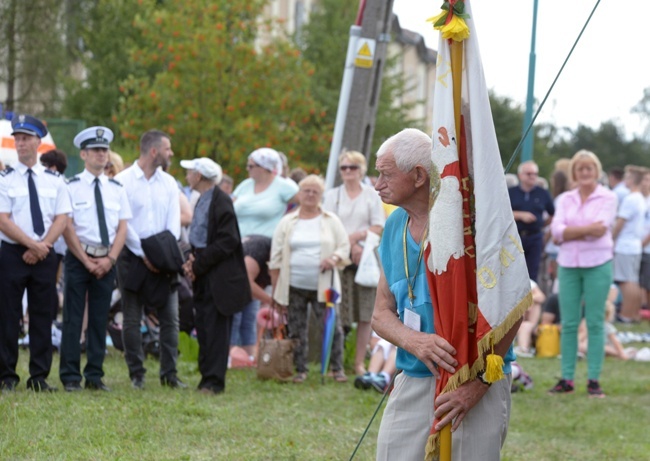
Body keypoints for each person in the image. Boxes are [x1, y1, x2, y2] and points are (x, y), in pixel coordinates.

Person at [372, 128, 519, 461]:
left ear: (419, 176)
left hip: (475, 381)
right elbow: (381, 314)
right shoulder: (394, 225)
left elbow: (514, 306)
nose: (377, 183)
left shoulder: (473, 223)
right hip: (414, 375)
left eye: (385, 174)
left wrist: (478, 385)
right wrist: (415, 341)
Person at [0, 114, 72, 392]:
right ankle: (7, 376)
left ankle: (39, 377)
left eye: (26, 139)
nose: (20, 144)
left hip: (45, 255)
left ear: (38, 142)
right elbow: (3, 219)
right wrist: (32, 245)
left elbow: (62, 217)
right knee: (8, 316)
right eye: (17, 139)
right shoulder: (5, 179)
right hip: (12, 254)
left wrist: (42, 247)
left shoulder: (54, 180)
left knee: (43, 315)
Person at [59, 127, 131, 392]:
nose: (102, 155)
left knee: (100, 318)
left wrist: (110, 259)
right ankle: (70, 376)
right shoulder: (71, 186)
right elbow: (67, 226)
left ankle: (95, 375)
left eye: (104, 150)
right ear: (84, 154)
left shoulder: (117, 188)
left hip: (106, 260)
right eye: (96, 151)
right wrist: (85, 259)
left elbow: (122, 227)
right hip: (80, 258)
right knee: (73, 318)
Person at [114, 129, 186, 390]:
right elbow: (123, 222)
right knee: (132, 318)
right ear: (154, 151)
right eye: (168, 149)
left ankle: (170, 374)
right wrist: (144, 253)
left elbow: (174, 224)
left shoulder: (168, 183)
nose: (171, 154)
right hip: (132, 257)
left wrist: (160, 254)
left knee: (171, 317)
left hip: (163, 259)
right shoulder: (123, 181)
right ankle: (137, 374)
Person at [549, 150, 617, 397]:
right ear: (574, 173)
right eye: (581, 169)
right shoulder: (565, 199)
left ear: (597, 172)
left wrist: (570, 231)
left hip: (598, 263)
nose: (585, 173)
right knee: (568, 323)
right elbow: (556, 231)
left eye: (590, 168)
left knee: (596, 321)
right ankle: (566, 379)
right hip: (568, 264)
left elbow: (600, 229)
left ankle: (593, 380)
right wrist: (579, 231)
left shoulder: (608, 198)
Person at [269, 175, 350, 383]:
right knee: (296, 328)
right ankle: (300, 370)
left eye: (315, 191)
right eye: (306, 191)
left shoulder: (331, 220)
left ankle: (337, 368)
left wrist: (333, 258)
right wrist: (277, 291)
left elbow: (343, 246)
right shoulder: (287, 222)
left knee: (332, 327)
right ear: (299, 194)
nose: (311, 195)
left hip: (324, 286)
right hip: (294, 285)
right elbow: (275, 257)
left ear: (321, 195)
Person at [181, 157, 250, 395]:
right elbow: (199, 237)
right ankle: (206, 377)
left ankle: (214, 381)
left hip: (218, 277)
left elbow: (228, 240)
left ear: (199, 176)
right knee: (205, 326)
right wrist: (192, 259)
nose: (187, 176)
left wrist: (198, 263)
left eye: (190, 172)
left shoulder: (221, 200)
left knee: (216, 330)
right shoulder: (203, 198)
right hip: (205, 272)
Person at [322, 150, 385, 377]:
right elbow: (326, 225)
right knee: (337, 311)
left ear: (361, 170)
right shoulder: (332, 195)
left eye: (353, 167)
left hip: (364, 259)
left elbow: (378, 225)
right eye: (344, 168)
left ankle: (358, 362)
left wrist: (357, 239)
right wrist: (346, 245)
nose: (348, 172)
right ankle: (334, 363)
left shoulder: (371, 194)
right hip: (339, 259)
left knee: (365, 313)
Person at [231, 148, 298, 358]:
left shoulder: (282, 185)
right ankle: (248, 351)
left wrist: (286, 224)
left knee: (243, 283)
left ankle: (234, 347)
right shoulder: (244, 186)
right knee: (242, 298)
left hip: (264, 244)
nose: (247, 169)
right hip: (239, 244)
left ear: (266, 168)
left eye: (251, 166)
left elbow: (307, 202)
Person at [508, 160, 555, 282]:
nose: (532, 176)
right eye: (529, 173)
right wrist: (519, 215)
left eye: (535, 173)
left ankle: (532, 299)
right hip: (514, 237)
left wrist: (541, 224)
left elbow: (553, 214)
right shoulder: (511, 192)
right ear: (520, 175)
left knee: (532, 273)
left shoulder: (542, 193)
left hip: (535, 237)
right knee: (512, 272)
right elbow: (500, 213)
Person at [613, 166, 647, 323]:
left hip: (625, 245)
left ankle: (626, 314)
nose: (624, 181)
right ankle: (633, 313)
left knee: (625, 281)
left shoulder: (630, 198)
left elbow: (620, 223)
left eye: (627, 177)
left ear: (632, 180)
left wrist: (611, 238)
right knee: (633, 281)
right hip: (634, 245)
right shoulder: (639, 197)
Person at [231, 234, 273, 362]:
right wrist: (270, 301)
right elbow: (246, 281)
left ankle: (250, 358)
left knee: (249, 320)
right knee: (235, 319)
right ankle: (230, 358)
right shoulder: (259, 249)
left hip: (251, 283)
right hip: (232, 282)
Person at [514, 280, 545, 357]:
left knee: (526, 325)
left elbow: (541, 297)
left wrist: (527, 301)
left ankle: (523, 349)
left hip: (530, 321)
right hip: (514, 319)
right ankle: (524, 348)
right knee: (524, 325)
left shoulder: (527, 281)